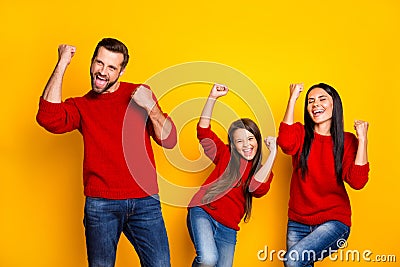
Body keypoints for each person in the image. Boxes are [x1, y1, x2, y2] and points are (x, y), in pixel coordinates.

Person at [36, 38, 177, 267]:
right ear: (92, 63)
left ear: (121, 71)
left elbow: (169, 140)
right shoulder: (82, 105)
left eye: (111, 67)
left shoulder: (139, 93)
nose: (102, 72)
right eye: (99, 63)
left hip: (144, 201)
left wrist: (150, 106)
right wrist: (62, 62)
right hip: (101, 205)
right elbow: (47, 117)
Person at [277, 82, 370, 267]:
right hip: (298, 220)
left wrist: (363, 140)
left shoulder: (347, 141)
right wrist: (293, 98)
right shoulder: (300, 133)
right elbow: (286, 143)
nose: (315, 104)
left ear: (334, 104)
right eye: (310, 101)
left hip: (334, 221)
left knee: (293, 260)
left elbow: (358, 181)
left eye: (322, 99)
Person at [187, 84, 277, 267]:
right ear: (233, 145)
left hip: (228, 228)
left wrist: (273, 153)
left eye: (250, 139)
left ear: (258, 141)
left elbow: (256, 188)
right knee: (208, 259)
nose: (246, 145)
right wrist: (212, 98)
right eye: (240, 141)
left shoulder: (263, 170)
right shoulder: (225, 154)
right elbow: (203, 131)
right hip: (203, 211)